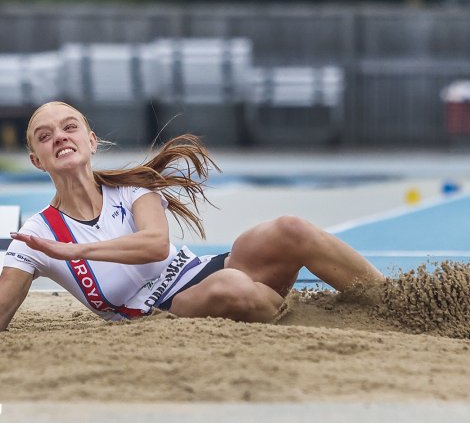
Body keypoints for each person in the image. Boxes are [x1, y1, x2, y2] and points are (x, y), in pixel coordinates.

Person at [0, 101, 385, 331]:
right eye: (45, 136)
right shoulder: (35, 236)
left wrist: (74, 252)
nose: (60, 137)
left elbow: (156, 245)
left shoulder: (133, 189)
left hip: (206, 269)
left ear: (91, 140)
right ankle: (315, 319)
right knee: (231, 286)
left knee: (290, 228)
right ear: (36, 159)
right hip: (163, 309)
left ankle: (396, 302)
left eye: (70, 128)